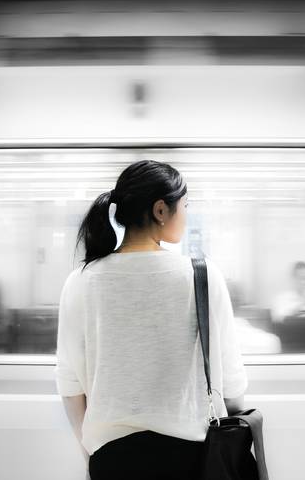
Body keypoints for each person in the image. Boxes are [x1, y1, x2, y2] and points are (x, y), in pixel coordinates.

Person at [54, 159, 248, 480]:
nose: (187, 214)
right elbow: (231, 380)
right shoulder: (203, 275)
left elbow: (70, 383)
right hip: (192, 457)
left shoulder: (81, 280)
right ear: (161, 210)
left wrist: (90, 455)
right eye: (185, 205)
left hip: (111, 460)